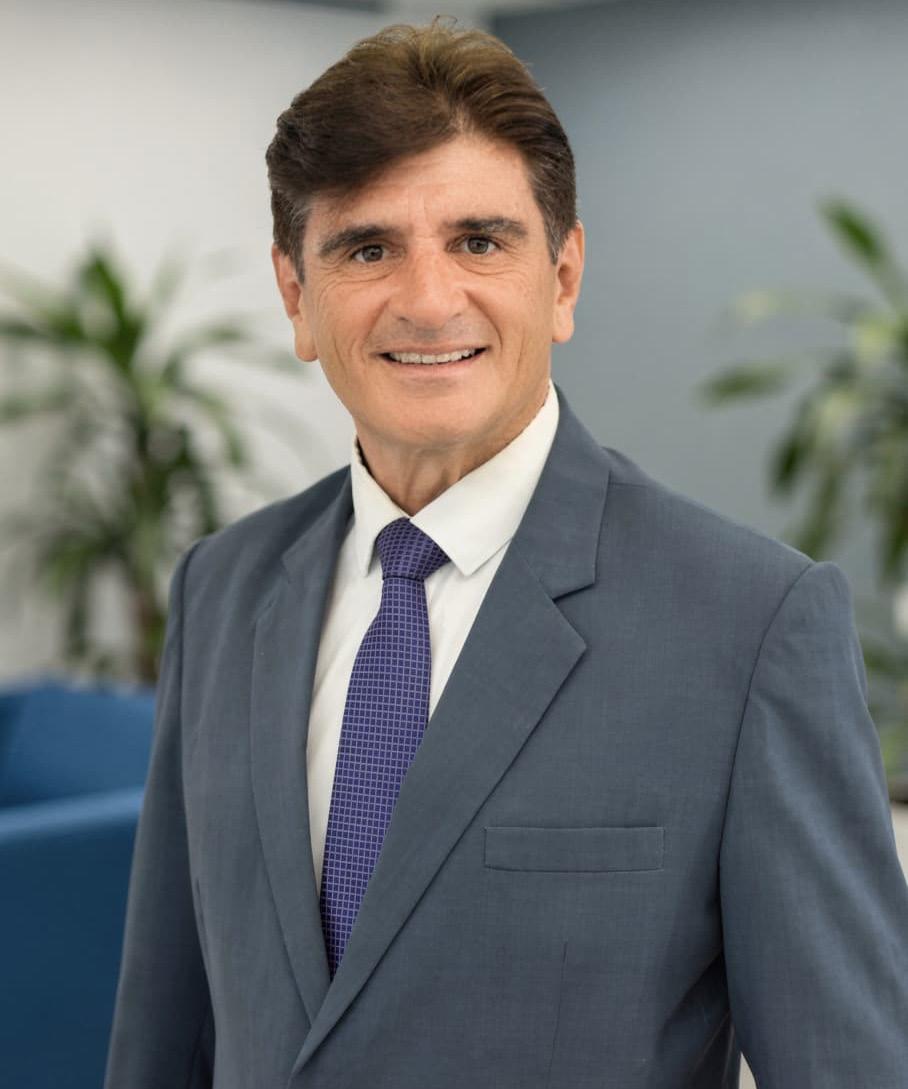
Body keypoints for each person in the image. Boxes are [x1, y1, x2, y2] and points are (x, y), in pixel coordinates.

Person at [103, 20, 908, 1089]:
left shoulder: (750, 624)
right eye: (367, 248)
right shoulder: (222, 589)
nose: (429, 300)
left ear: (562, 278)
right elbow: (165, 1034)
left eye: (480, 242)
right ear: (297, 296)